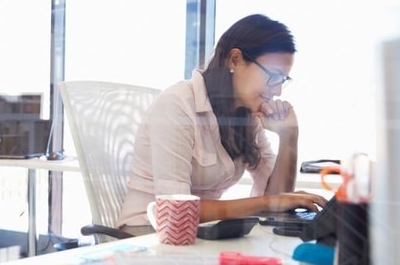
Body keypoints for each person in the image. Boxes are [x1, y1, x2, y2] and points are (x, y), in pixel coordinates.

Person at [117, 14, 329, 236]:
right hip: (146, 233)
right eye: (273, 77)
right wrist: (265, 203)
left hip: (200, 233)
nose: (276, 91)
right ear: (235, 60)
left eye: (283, 81)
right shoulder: (177, 104)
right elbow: (176, 210)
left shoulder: (245, 116)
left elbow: (277, 201)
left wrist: (289, 137)